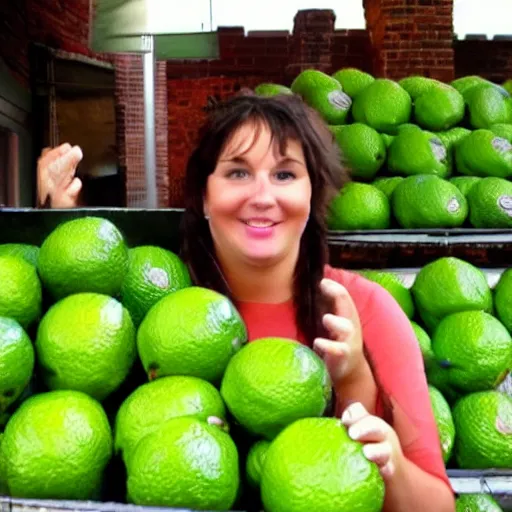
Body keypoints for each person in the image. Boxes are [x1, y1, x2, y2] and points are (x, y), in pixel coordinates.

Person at [37, 93, 455, 511]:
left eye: (285, 175)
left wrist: (387, 456)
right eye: (237, 173)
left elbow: (438, 504)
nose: (262, 196)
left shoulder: (366, 309)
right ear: (203, 196)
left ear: (313, 195)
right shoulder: (158, 301)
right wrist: (52, 224)